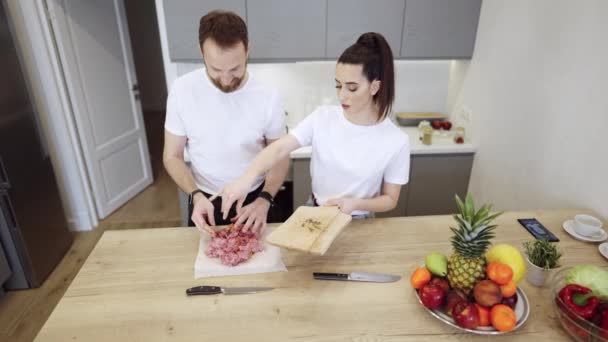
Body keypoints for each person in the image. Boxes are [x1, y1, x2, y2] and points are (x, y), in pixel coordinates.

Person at [214, 32, 410, 219]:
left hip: (359, 219)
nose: (342, 95)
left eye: (352, 87)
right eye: (338, 85)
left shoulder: (396, 140)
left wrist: (355, 204)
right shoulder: (322, 118)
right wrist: (245, 179)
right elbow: (279, 148)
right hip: (314, 210)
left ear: (374, 87)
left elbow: (390, 199)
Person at [163, 10, 289, 235]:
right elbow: (172, 156)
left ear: (247, 49)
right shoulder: (182, 91)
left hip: (256, 198)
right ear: (201, 52)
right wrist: (194, 195)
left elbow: (279, 155)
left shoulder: (268, 96)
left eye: (235, 68)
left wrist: (265, 198)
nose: (227, 79)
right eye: (216, 70)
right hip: (205, 199)